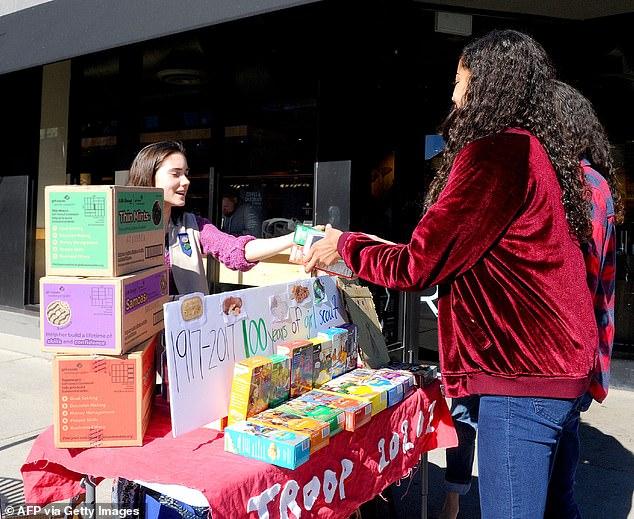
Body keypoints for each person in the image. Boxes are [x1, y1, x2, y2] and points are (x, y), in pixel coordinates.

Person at [303, 29, 598, 518]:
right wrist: (366, 246)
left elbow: (420, 265)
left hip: (522, 376)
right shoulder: (528, 150)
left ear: (486, 86)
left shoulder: (495, 153)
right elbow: (452, 252)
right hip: (555, 370)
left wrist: (345, 246)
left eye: (460, 81)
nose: (454, 97)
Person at [439, 80, 625, 519]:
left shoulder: (550, 184)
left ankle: (452, 495)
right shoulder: (594, 186)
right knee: (559, 499)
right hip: (574, 365)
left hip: (527, 364)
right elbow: (602, 289)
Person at [126, 140, 294, 296]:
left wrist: (293, 238)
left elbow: (236, 250)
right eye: (176, 174)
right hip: (138, 325)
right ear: (149, 176)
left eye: (186, 173)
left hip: (185, 325)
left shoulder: (193, 225)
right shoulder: (121, 229)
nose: (186, 181)